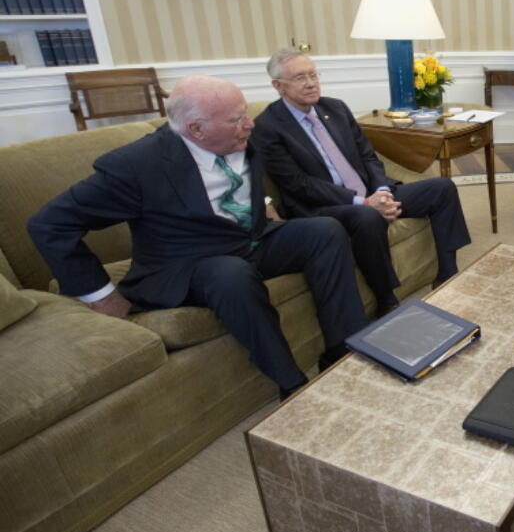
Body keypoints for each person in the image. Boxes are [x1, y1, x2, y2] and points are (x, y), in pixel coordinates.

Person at [27, 75, 366, 399]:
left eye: (245, 114)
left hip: (250, 241)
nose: (249, 124)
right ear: (196, 129)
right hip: (191, 263)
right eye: (237, 119)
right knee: (230, 273)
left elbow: (238, 183)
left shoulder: (240, 137)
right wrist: (100, 294)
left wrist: (263, 203)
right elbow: (49, 223)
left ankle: (343, 352)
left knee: (324, 230)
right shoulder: (137, 165)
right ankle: (291, 385)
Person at [251, 49, 471, 312]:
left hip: (370, 192)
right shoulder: (267, 127)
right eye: (300, 78)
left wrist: (381, 190)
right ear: (279, 86)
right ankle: (386, 299)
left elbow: (368, 155)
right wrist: (363, 202)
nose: (311, 83)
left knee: (442, 188)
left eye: (313, 74)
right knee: (368, 217)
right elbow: (299, 184)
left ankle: (447, 274)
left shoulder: (335, 107)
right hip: (324, 207)